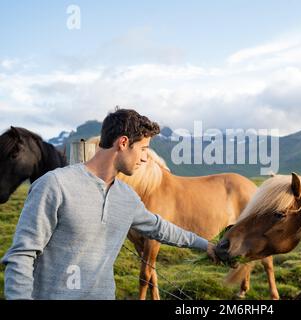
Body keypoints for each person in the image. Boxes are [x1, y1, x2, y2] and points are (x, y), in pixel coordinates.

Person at [1, 108, 217, 300]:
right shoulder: (54, 184)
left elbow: (160, 228)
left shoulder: (127, 197)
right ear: (123, 143)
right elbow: (22, 255)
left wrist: (204, 245)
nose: (146, 158)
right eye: (143, 149)